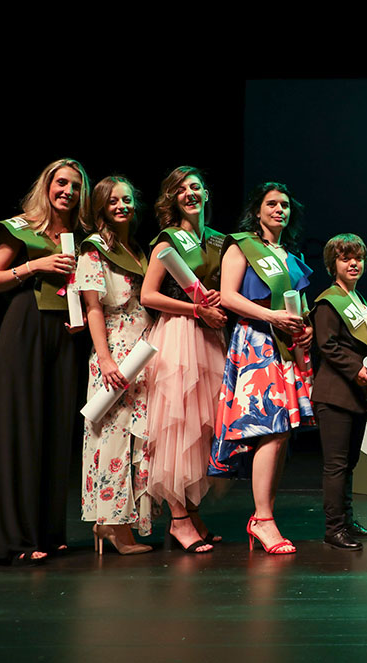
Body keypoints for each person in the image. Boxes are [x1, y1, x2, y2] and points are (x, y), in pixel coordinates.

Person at [0, 158, 90, 565]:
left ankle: (47, 531)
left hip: (66, 335)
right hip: (24, 330)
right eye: (61, 183)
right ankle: (15, 537)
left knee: (55, 429)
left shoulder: (81, 236)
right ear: (47, 185)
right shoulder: (22, 227)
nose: (68, 192)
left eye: (75, 186)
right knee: (21, 429)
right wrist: (34, 265)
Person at [209, 182, 315, 555]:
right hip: (256, 341)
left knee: (282, 431)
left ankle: (264, 516)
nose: (279, 210)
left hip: (285, 345)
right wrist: (271, 315)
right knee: (269, 428)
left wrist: (305, 330)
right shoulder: (241, 245)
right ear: (258, 210)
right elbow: (228, 295)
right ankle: (263, 519)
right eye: (271, 204)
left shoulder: (288, 253)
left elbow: (297, 303)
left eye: (285, 205)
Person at [140, 166, 227, 554]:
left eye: (195, 187)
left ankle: (192, 512)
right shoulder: (167, 241)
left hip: (211, 338)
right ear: (172, 200)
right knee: (179, 426)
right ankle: (177, 518)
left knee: (205, 427)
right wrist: (195, 312)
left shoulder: (220, 241)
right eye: (181, 190)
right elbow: (149, 296)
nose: (189, 193)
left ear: (207, 194)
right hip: (178, 333)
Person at [76, 176, 154, 555]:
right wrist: (105, 358)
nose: (122, 206)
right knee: (113, 436)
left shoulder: (134, 249)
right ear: (101, 207)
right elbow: (93, 306)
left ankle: (122, 525)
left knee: (136, 436)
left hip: (142, 348)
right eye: (113, 201)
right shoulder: (94, 250)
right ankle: (111, 525)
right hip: (117, 350)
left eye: (127, 199)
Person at [311, 234, 367, 551]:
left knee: (350, 463)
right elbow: (327, 346)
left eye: (358, 257)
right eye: (345, 258)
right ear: (333, 265)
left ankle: (347, 520)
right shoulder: (329, 301)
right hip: (334, 395)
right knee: (336, 465)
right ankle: (334, 528)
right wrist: (358, 371)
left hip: (355, 395)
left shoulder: (358, 299)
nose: (353, 263)